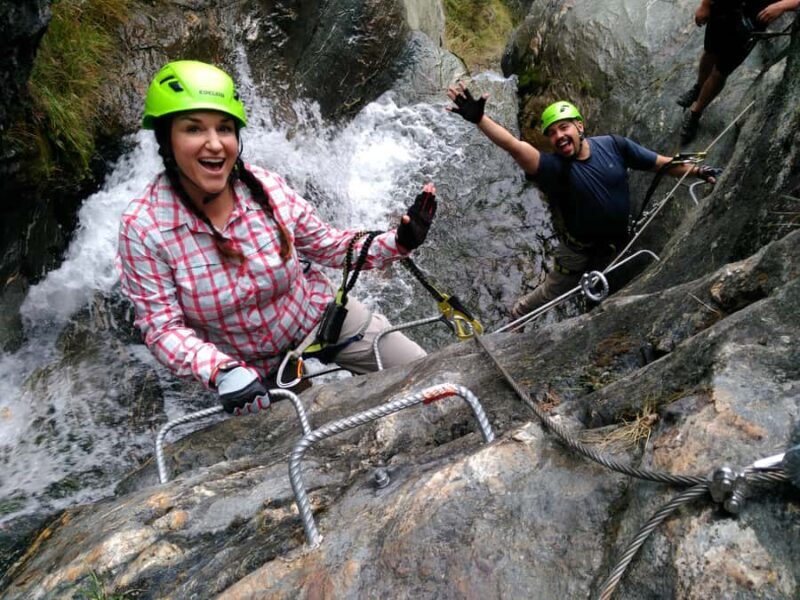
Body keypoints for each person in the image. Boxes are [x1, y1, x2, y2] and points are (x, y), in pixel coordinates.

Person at [118, 60, 435, 416]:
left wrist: (398, 241)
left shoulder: (265, 188)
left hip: (316, 318)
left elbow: (330, 246)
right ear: (167, 139)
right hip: (248, 369)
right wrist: (220, 371)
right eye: (194, 129)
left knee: (428, 375)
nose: (215, 144)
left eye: (224, 128)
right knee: (309, 434)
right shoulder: (144, 228)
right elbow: (162, 329)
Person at [446, 83, 720, 319]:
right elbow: (514, 146)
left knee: (601, 288)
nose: (558, 136)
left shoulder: (615, 145)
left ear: (579, 126)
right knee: (554, 291)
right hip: (577, 251)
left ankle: (591, 312)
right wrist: (481, 120)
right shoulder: (552, 168)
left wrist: (699, 170)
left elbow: (661, 164)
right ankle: (519, 313)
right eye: (552, 133)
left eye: (563, 127)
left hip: (615, 244)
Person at [678, 0, 800, 144]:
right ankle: (698, 88)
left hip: (752, 21)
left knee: (721, 71)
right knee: (710, 51)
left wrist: (783, 5)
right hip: (724, 8)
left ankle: (696, 112)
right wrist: (705, 5)